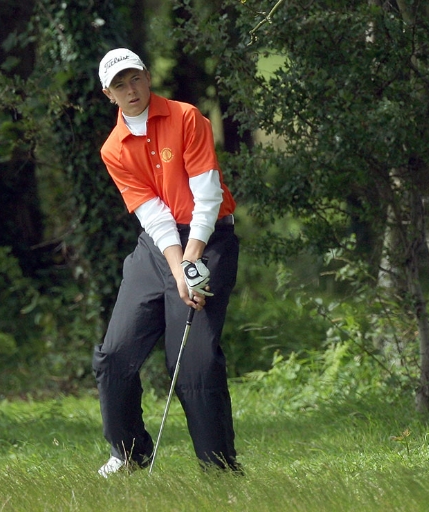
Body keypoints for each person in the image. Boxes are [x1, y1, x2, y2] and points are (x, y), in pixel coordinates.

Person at [92, 48, 240, 476]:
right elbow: (152, 215)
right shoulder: (113, 148)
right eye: (119, 85)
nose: (130, 89)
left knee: (192, 361)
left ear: (147, 76)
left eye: (135, 78)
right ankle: (130, 453)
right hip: (156, 247)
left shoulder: (186, 117)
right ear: (109, 94)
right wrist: (178, 270)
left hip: (208, 236)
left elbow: (208, 196)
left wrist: (193, 263)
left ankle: (219, 469)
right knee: (114, 355)